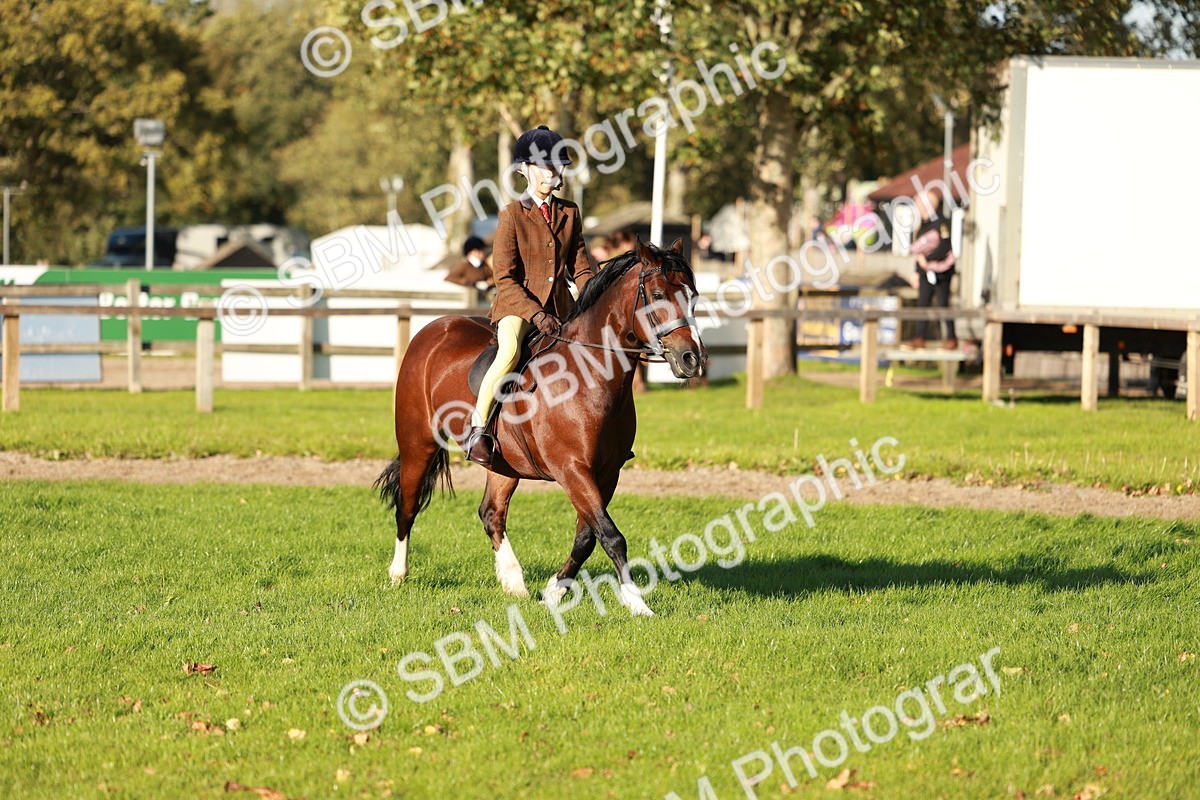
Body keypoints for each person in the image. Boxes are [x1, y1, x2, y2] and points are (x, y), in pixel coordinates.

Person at [463, 125, 595, 466]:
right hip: (518, 307)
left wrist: (594, 296)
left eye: (557, 166)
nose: (552, 173)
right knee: (509, 353)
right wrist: (535, 314)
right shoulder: (511, 214)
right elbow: (504, 277)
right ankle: (478, 429)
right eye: (544, 166)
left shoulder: (570, 213)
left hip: (561, 307)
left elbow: (580, 268)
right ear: (525, 169)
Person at [907, 188, 957, 350]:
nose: (919, 210)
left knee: (943, 304)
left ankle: (951, 338)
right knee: (922, 303)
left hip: (942, 272)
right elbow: (919, 253)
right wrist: (917, 271)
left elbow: (945, 246)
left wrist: (927, 260)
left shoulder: (942, 223)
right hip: (925, 272)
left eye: (921, 206)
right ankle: (919, 338)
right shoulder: (923, 225)